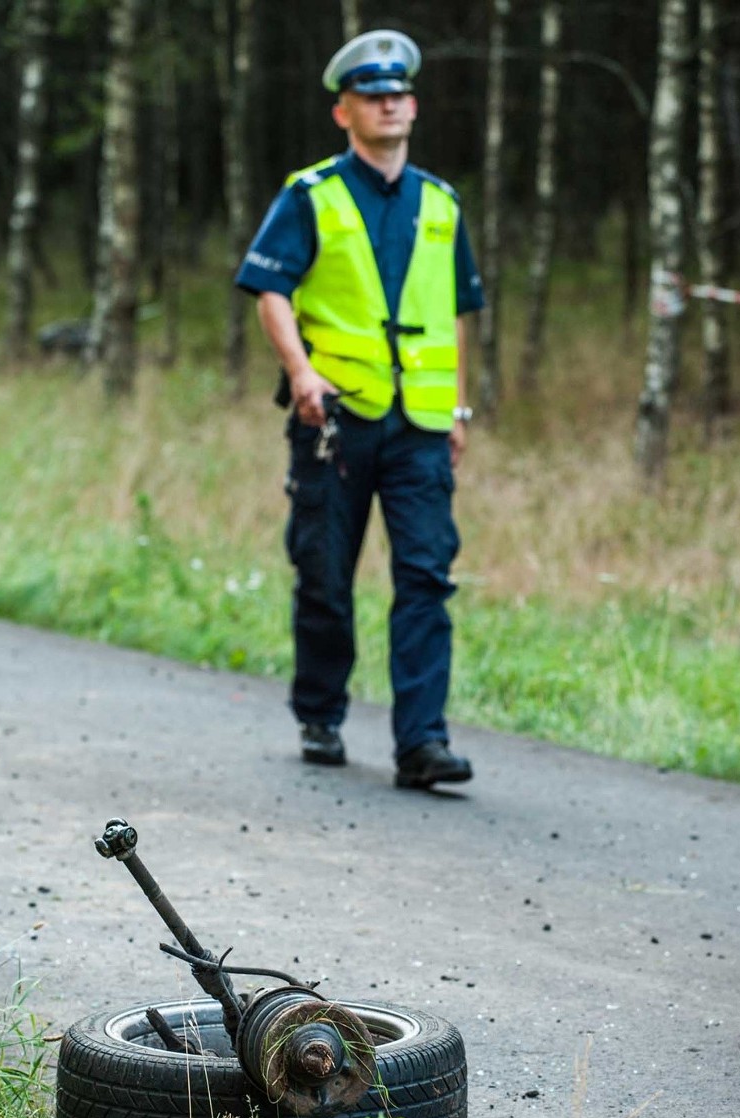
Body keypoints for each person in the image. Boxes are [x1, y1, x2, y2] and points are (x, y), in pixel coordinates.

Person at [235, 29, 484, 789]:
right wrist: (301, 373)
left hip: (421, 428)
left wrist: (461, 410)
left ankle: (422, 744)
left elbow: (459, 309)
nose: (390, 106)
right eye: (374, 97)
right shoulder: (311, 194)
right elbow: (269, 288)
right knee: (324, 573)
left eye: (400, 95)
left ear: (414, 105)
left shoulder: (440, 204)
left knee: (425, 576)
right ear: (344, 111)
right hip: (334, 420)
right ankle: (320, 712)